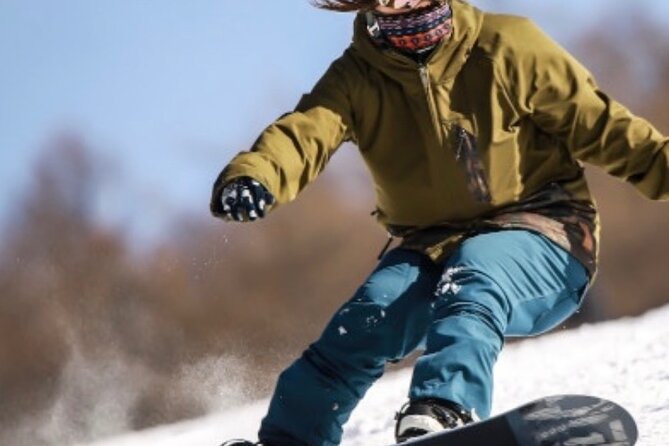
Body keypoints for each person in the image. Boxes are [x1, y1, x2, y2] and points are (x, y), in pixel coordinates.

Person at [211, 1, 669, 445]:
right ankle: (292, 439)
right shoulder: (357, 77)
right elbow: (302, 133)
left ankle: (446, 410)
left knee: (476, 273)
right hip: (429, 244)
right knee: (366, 320)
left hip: (544, 228)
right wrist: (255, 175)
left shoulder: (507, 45)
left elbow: (605, 127)